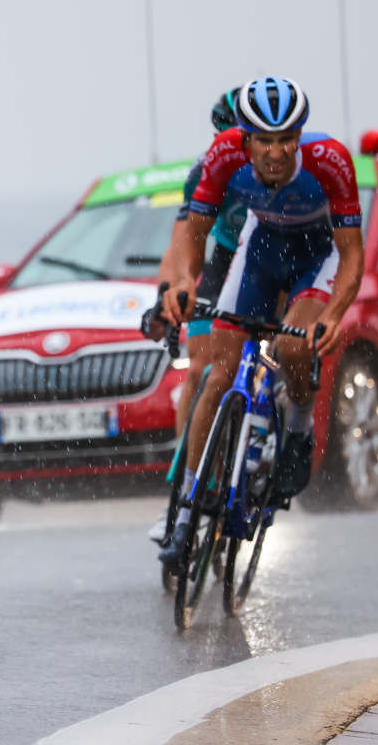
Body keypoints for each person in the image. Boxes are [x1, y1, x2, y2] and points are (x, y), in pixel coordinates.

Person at [157, 76, 364, 567]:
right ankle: (186, 515)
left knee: (294, 348)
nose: (275, 152)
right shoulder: (224, 155)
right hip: (263, 247)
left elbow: (352, 256)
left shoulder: (330, 160)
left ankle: (296, 425)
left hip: (318, 255)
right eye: (264, 140)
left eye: (287, 139)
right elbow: (194, 234)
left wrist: (333, 315)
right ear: (245, 138)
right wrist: (186, 282)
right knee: (215, 375)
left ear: (300, 135)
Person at [146, 89, 247, 544]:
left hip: (275, 256)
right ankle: (189, 488)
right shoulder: (206, 170)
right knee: (203, 370)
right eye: (221, 132)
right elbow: (181, 245)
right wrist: (167, 297)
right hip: (224, 260)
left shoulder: (285, 170)